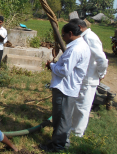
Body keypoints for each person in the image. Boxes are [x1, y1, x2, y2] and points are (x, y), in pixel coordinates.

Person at [39, 22, 91, 152]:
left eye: (63, 35)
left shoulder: (75, 49)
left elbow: (64, 71)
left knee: (61, 118)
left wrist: (52, 66)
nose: (63, 38)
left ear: (70, 34)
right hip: (70, 87)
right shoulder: (81, 45)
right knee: (65, 118)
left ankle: (57, 146)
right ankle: (63, 142)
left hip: (65, 88)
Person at [69, 19, 108, 137]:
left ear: (80, 27)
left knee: (82, 107)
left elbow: (102, 59)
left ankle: (77, 133)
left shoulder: (90, 38)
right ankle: (72, 128)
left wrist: (101, 74)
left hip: (89, 79)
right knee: (76, 105)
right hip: (82, 78)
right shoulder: (83, 37)